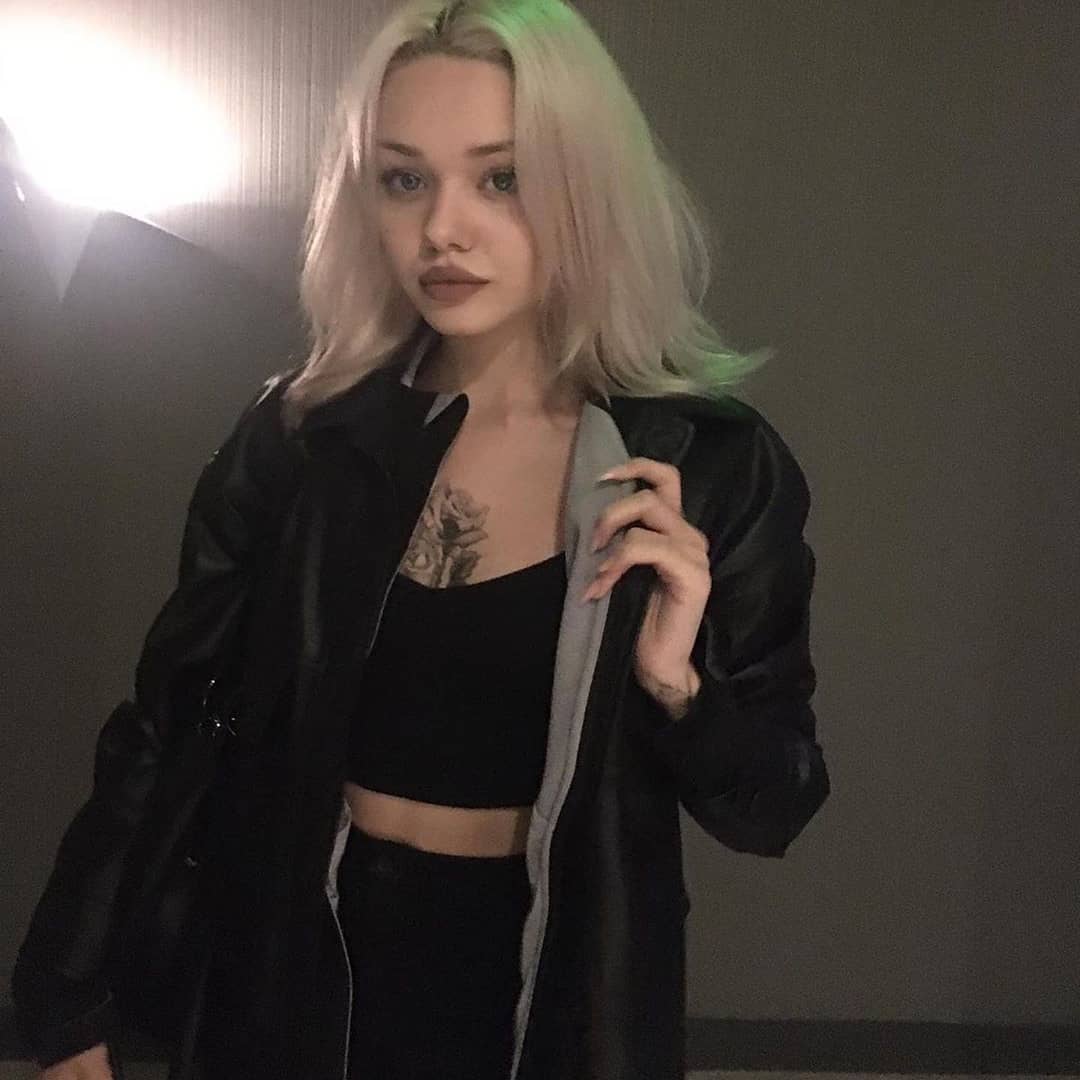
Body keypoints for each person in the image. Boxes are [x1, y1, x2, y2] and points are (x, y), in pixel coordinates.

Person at [11, 1, 831, 1078]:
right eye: (405, 179)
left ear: (584, 187)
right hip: (298, 966)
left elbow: (774, 804)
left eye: (501, 178)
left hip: (549, 991)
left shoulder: (710, 464)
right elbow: (165, 721)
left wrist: (678, 685)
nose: (444, 229)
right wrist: (67, 987)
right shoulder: (304, 439)